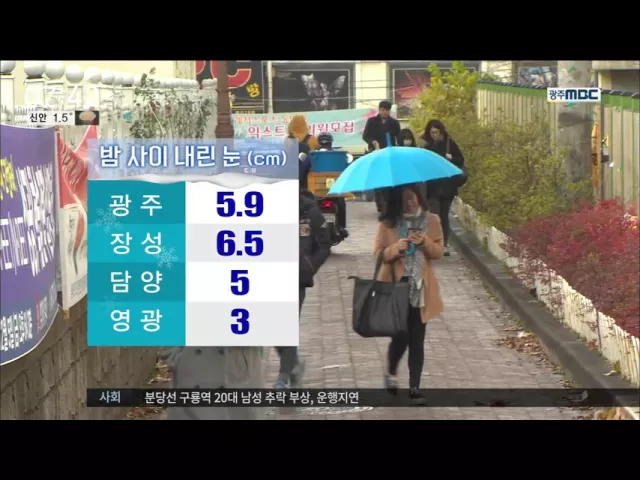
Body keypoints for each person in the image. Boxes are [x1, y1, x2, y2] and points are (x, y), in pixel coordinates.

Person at [373, 184, 445, 404]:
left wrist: (424, 242)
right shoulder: (388, 224)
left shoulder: (432, 221)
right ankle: (391, 371)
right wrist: (396, 248)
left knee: (417, 339)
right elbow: (378, 254)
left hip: (421, 286)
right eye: (404, 202)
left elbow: (439, 252)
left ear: (419, 199)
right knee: (400, 335)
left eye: (412, 199)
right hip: (396, 287)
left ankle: (415, 388)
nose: (410, 204)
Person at [273, 190, 331, 388]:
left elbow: (324, 246)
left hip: (297, 278)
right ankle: (294, 365)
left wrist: (309, 267)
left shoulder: (310, 212)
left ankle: (282, 378)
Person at [421, 120, 465, 256]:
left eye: (436, 132)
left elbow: (460, 160)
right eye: (432, 133)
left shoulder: (449, 144)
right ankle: (434, 242)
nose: (434, 135)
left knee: (444, 215)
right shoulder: (427, 147)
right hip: (432, 187)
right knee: (435, 216)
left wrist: (451, 158)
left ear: (441, 132)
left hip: (447, 186)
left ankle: (444, 243)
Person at [288, 115, 320, 191]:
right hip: (308, 175)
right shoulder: (313, 139)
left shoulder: (286, 140)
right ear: (305, 125)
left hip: (291, 174)